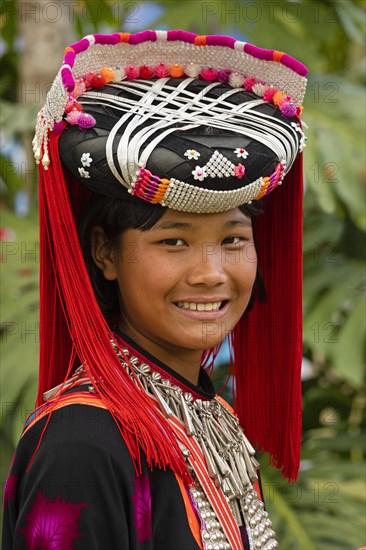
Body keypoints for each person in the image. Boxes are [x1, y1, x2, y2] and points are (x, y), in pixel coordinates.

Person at [2, 30, 307, 550]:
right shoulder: (83, 443)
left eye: (234, 238)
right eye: (174, 241)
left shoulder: (209, 413)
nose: (212, 272)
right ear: (105, 252)